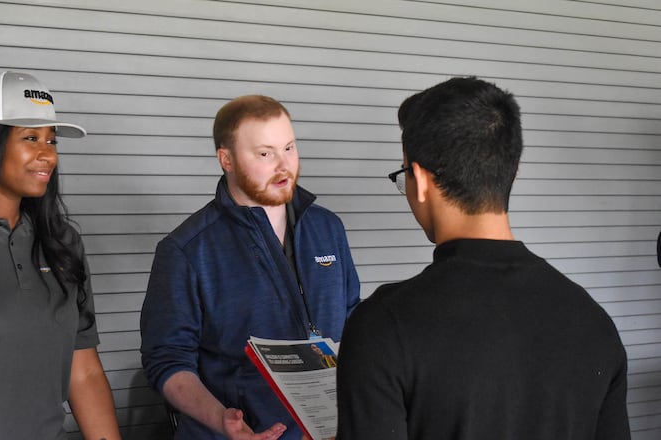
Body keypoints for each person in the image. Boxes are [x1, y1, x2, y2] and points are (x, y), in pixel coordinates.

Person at [336, 77, 630, 440]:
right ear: (511, 172)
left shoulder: (383, 326)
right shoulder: (594, 323)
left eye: (405, 175)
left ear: (422, 181)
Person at [140, 95, 360, 439]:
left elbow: (352, 322)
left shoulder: (328, 228)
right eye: (264, 153)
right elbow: (167, 359)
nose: (283, 165)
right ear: (226, 159)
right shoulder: (185, 250)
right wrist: (221, 419)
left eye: (289, 148)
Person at [0, 71, 121, 439]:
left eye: (52, 140)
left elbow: (84, 371)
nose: (47, 154)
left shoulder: (62, 242)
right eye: (31, 138)